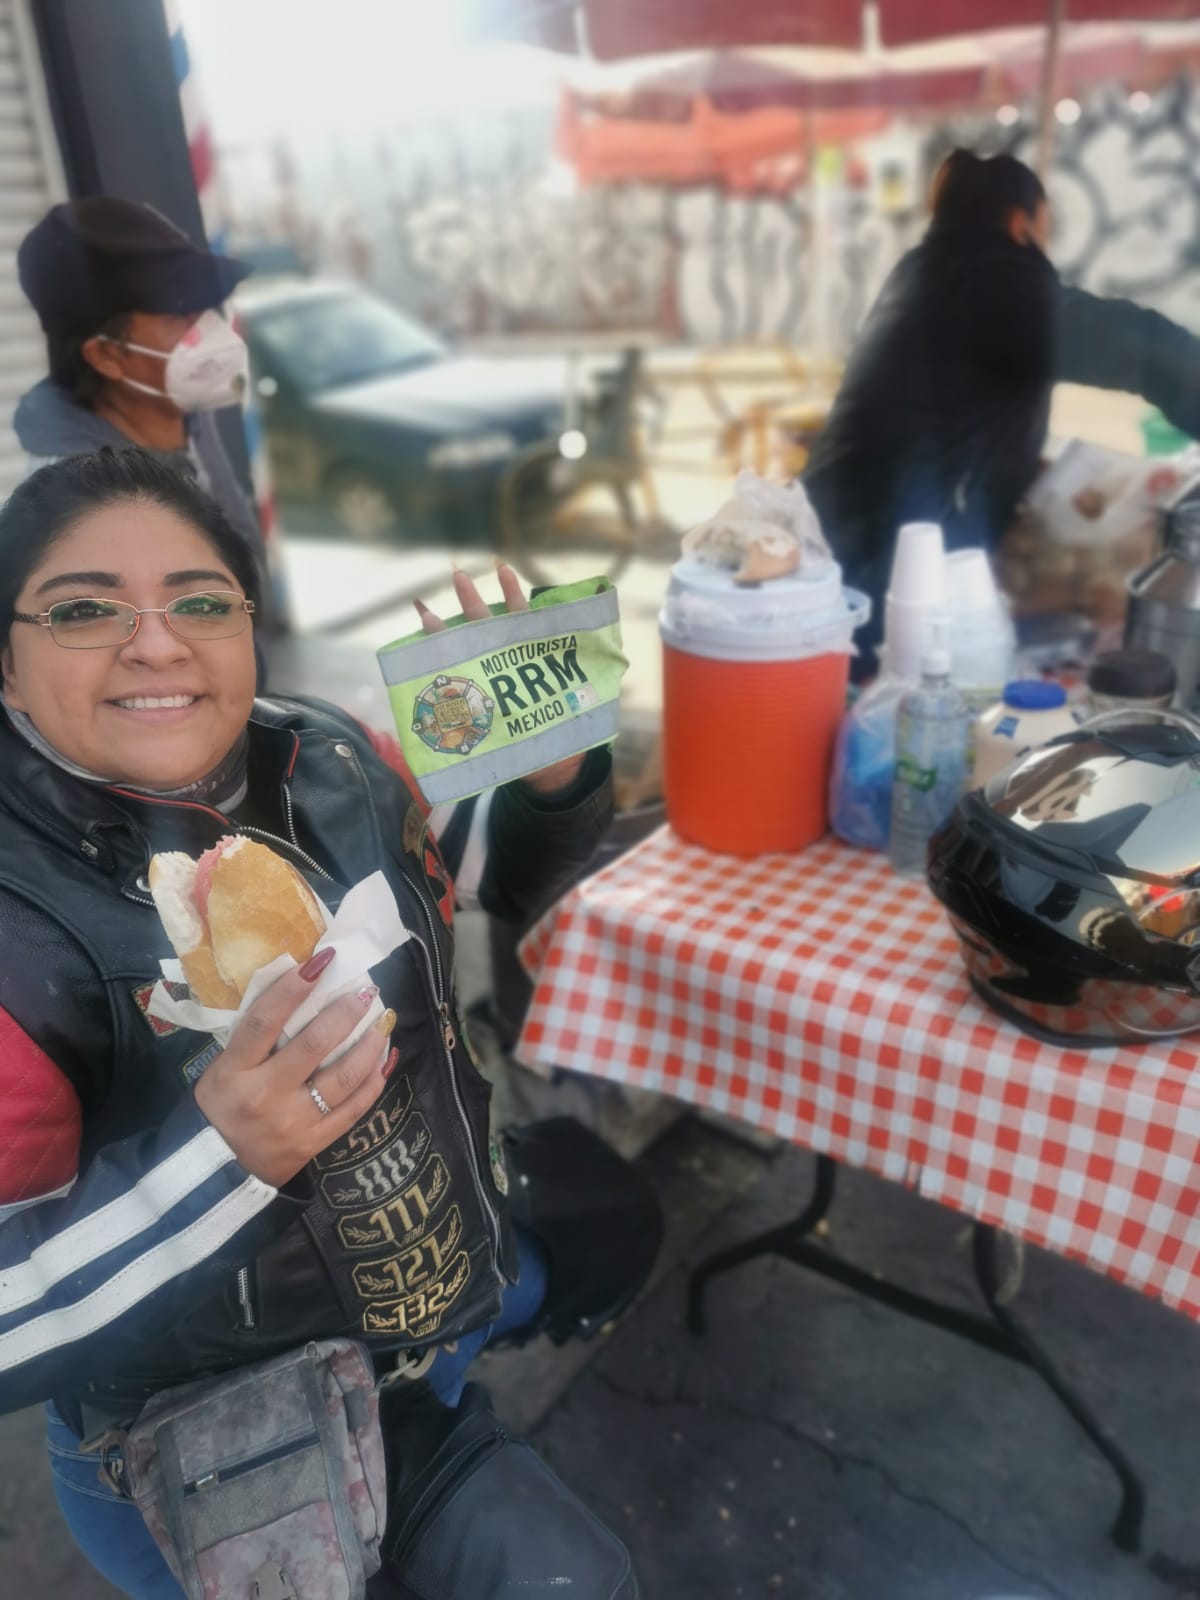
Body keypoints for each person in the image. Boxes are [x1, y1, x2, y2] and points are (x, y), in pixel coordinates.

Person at [0, 448, 653, 1598]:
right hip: (218, 1449)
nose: (156, 641)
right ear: (6, 664)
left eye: (201, 599)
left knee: (615, 1218)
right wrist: (219, 1158)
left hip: (430, 1298)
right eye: (83, 608)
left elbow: (493, 888)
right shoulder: (15, 941)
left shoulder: (342, 757)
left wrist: (557, 783)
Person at [804, 147, 1200, 672]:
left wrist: (1019, 466)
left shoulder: (926, 271)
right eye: (1046, 231)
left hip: (842, 552)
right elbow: (1138, 347)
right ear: (1020, 225)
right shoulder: (988, 281)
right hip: (880, 575)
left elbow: (947, 409)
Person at [14, 196, 268, 613]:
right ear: (108, 356)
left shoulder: (181, 410)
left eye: (205, 308)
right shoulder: (83, 512)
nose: (209, 333)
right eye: (178, 317)